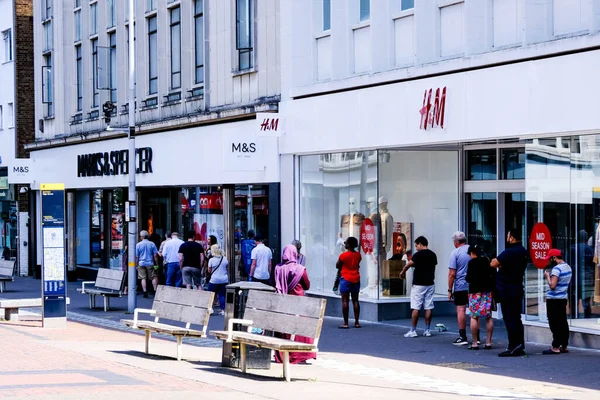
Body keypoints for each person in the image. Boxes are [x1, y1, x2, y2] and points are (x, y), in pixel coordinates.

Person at [274, 245, 315, 364]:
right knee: (302, 328)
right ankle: (299, 355)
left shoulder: (278, 268)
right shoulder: (300, 269)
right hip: (298, 304)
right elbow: (307, 285)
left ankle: (282, 355)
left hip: (283, 304)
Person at [490, 228, 528, 357]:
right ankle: (519, 344)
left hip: (507, 289)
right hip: (517, 287)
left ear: (511, 238)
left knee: (509, 318)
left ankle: (513, 346)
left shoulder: (509, 252)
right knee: (516, 318)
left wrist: (501, 265)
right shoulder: (522, 251)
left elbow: (493, 263)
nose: (507, 237)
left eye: (508, 235)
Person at [400, 236, 437, 337]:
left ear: (420, 244)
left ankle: (413, 330)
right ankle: (427, 330)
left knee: (416, 307)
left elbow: (408, 265)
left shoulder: (418, 255)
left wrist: (403, 272)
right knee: (428, 307)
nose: (416, 248)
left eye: (416, 245)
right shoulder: (433, 255)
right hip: (430, 283)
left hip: (418, 284)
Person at [465, 244, 496, 350]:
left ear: (472, 253)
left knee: (474, 316)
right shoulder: (487, 261)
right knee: (488, 316)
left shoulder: (471, 263)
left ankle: (474, 343)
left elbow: (468, 278)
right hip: (487, 291)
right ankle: (488, 342)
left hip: (475, 292)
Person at [543, 249, 572, 355]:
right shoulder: (567, 267)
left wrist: (547, 277)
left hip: (554, 299)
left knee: (554, 323)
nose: (550, 261)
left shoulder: (556, 269)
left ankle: (555, 346)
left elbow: (553, 285)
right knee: (563, 322)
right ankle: (564, 345)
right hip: (563, 297)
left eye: (551, 258)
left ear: (554, 257)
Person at [448, 231, 472, 346]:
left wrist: (449, 290)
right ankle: (476, 337)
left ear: (456, 242)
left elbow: (452, 273)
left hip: (461, 285)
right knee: (474, 310)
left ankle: (462, 336)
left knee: (461, 310)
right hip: (473, 285)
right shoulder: (473, 250)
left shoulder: (455, 253)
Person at [336, 237, 361, 329]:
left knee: (345, 301)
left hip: (346, 279)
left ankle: (346, 323)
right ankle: (357, 322)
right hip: (356, 279)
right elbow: (357, 264)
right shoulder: (358, 255)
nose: (345, 244)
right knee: (355, 300)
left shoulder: (343, 256)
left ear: (349, 245)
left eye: (346, 243)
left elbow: (337, 265)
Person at [135, 230, 159, 298]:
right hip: (150, 263)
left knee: (143, 278)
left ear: (142, 237)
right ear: (147, 236)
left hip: (141, 263)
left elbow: (136, 256)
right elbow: (155, 255)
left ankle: (145, 292)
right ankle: (155, 291)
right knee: (153, 277)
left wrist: (136, 264)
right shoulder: (152, 244)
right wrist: (156, 264)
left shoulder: (138, 245)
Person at [207, 244, 229, 315]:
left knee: (211, 294)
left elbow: (209, 271)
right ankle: (223, 310)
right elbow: (227, 268)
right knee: (222, 295)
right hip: (224, 280)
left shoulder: (211, 260)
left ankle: (211, 309)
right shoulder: (225, 259)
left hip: (214, 280)